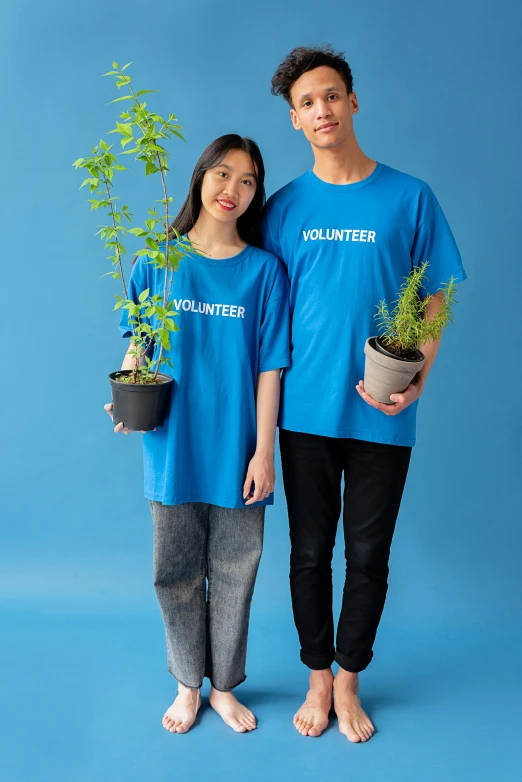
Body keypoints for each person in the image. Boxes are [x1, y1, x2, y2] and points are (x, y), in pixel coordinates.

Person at [262, 45, 466, 742]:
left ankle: (349, 682)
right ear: (295, 121)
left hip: (383, 411)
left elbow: (435, 294)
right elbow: (257, 306)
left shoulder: (409, 196)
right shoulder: (284, 208)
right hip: (303, 413)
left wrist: (419, 380)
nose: (321, 110)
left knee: (369, 557)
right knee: (309, 553)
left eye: (330, 96)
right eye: (306, 103)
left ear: (353, 103)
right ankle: (317, 677)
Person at [104, 134, 290, 735]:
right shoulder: (158, 261)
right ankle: (188, 684)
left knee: (237, 571)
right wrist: (127, 388)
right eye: (222, 174)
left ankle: (225, 687)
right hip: (173, 448)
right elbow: (141, 342)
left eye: (247, 180)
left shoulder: (265, 273)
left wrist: (264, 451)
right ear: (198, 178)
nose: (232, 189)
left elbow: (269, 368)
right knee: (176, 571)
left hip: (238, 451)